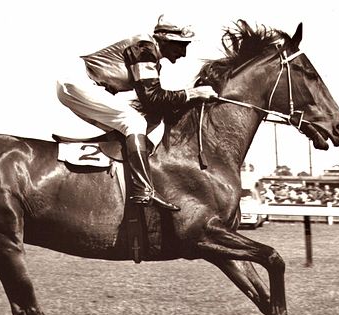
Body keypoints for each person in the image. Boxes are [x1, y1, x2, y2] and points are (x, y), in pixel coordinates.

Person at [57, 15, 218, 211]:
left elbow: (154, 106)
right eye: (179, 45)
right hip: (79, 81)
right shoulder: (144, 49)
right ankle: (144, 189)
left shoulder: (151, 55)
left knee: (140, 125)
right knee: (134, 123)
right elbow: (152, 98)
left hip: (76, 84)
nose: (183, 53)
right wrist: (193, 93)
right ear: (164, 40)